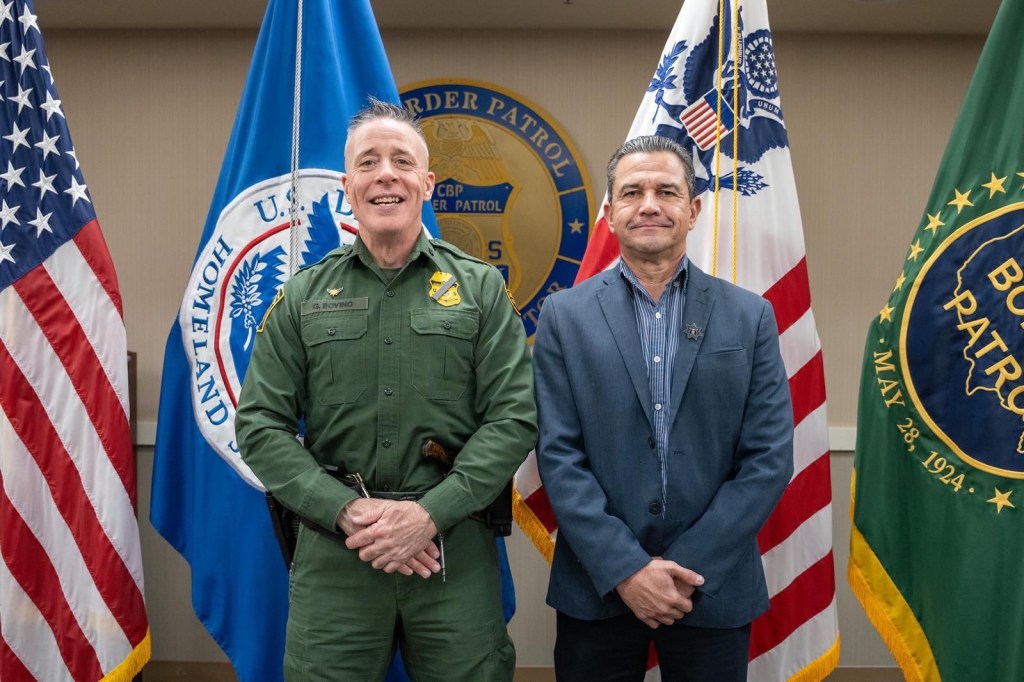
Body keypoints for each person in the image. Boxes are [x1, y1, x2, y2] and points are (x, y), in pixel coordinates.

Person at [235, 98, 537, 681]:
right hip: (338, 553)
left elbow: (514, 418)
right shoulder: (303, 297)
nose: (385, 174)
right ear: (348, 185)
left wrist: (428, 515)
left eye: (401, 160)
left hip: (452, 548)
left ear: (426, 182)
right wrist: (346, 511)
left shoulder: (480, 290)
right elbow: (259, 426)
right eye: (368, 162)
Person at [532, 135, 793, 682]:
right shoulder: (562, 317)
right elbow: (559, 456)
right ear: (609, 212)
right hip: (598, 585)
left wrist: (684, 571)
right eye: (632, 192)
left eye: (666, 191)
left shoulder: (751, 317)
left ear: (693, 209)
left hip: (710, 586)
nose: (649, 204)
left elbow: (767, 458)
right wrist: (627, 569)